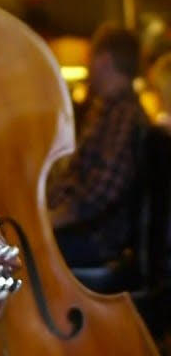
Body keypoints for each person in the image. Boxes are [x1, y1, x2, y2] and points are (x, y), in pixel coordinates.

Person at [49, 23, 147, 267]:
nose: (88, 67)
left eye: (91, 58)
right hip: (87, 232)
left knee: (18, 257)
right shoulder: (111, 109)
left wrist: (51, 219)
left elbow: (102, 189)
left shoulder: (123, 114)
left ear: (103, 60)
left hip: (96, 239)